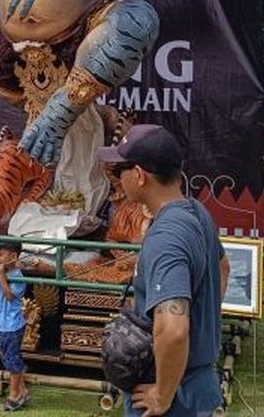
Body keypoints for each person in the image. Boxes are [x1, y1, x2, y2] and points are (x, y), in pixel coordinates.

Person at [97, 124, 229, 417]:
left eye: (121, 169)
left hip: (174, 398)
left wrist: (163, 395)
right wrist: (203, 321)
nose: (118, 178)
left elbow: (172, 329)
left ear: (140, 175)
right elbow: (223, 266)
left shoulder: (166, 239)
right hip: (199, 387)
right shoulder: (195, 210)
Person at [0, 241, 30, 411]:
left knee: (12, 360)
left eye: (0, 255)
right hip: (2, 323)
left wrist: (1, 275)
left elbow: (9, 296)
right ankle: (22, 390)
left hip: (12, 324)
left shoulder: (18, 276)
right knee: (7, 358)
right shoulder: (5, 271)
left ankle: (14, 394)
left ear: (13, 257)